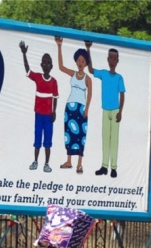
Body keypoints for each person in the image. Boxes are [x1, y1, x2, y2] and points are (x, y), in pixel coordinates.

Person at [85, 42, 126, 178]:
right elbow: (90, 70)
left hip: (114, 111)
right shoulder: (103, 74)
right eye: (110, 58)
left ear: (117, 61)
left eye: (114, 59)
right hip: (105, 111)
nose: (112, 61)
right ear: (107, 59)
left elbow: (122, 94)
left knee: (114, 139)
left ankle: (113, 167)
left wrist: (120, 111)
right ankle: (104, 166)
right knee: (105, 139)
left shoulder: (119, 77)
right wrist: (88, 49)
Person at [20, 41, 59, 173]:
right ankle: (35, 161)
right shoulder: (37, 77)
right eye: (44, 62)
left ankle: (46, 163)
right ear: (41, 65)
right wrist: (24, 54)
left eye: (48, 63)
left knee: (47, 140)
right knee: (37, 138)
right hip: (38, 114)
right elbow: (28, 70)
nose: (46, 65)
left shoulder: (54, 81)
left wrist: (54, 112)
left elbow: (55, 97)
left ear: (51, 66)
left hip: (48, 115)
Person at [55, 36, 92, 175]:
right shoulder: (73, 74)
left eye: (83, 61)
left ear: (86, 63)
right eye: (78, 60)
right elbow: (60, 67)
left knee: (81, 134)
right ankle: (69, 160)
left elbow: (90, 95)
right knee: (69, 134)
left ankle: (79, 164)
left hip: (81, 107)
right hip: (70, 106)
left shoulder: (88, 79)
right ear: (76, 61)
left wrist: (87, 109)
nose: (80, 63)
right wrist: (59, 46)